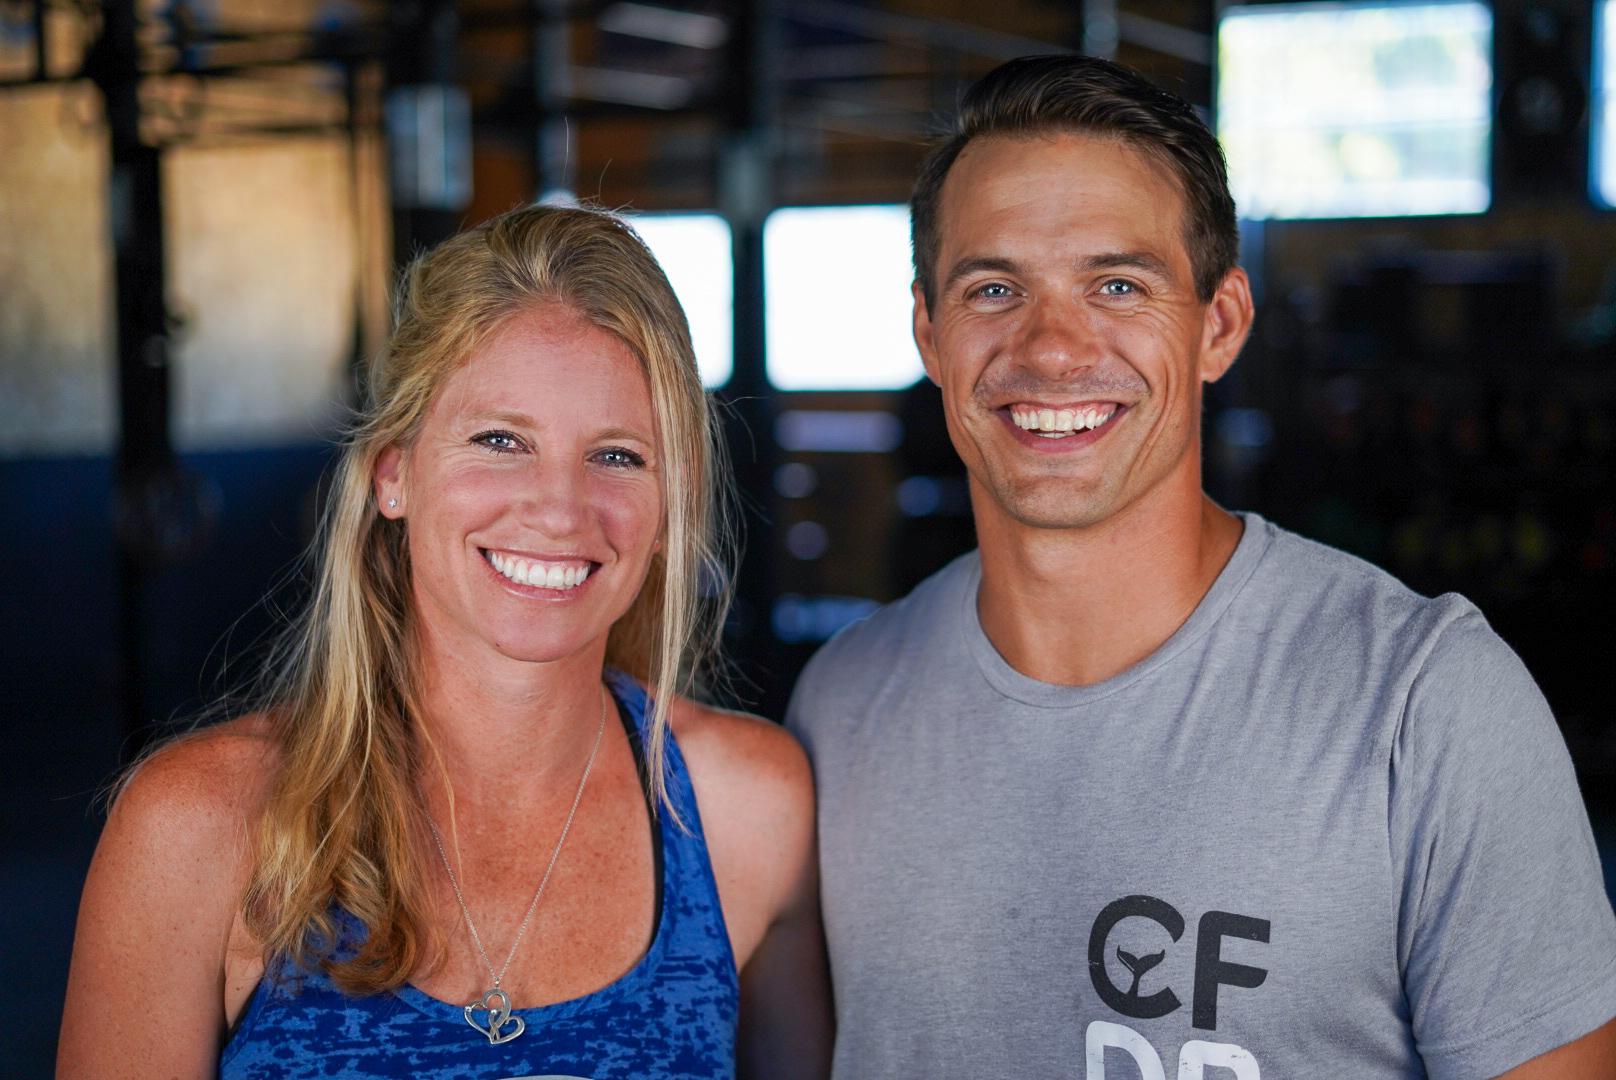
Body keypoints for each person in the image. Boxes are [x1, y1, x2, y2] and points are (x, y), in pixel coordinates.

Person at [786, 54, 1616, 1080]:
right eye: (993, 289)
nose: (1052, 349)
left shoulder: (1425, 705)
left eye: (1117, 285)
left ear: (1218, 325)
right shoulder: (841, 705)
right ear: (929, 332)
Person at [60, 204, 831, 1080]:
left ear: (670, 503)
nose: (559, 510)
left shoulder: (750, 812)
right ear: (394, 472)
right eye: (500, 440)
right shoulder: (195, 829)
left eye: (618, 455)